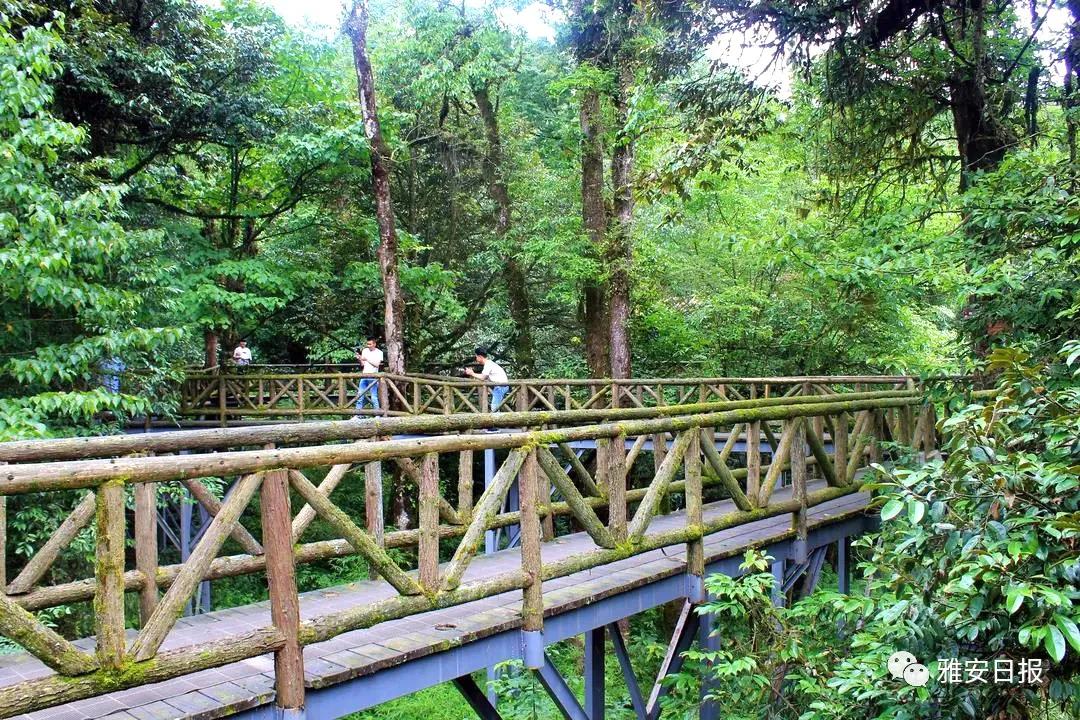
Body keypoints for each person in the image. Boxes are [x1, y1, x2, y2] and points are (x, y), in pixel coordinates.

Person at [465, 347, 510, 411]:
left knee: (494, 407)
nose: (476, 359)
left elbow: (483, 377)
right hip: (501, 386)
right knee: (496, 407)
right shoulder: (489, 363)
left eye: (476, 357)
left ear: (480, 356)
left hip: (501, 386)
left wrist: (472, 373)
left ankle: (497, 420)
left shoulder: (488, 364)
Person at [355, 336, 383, 414]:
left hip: (373, 376)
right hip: (364, 375)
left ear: (374, 344)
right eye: (367, 344)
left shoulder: (379, 352)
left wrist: (367, 359)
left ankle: (377, 414)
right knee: (360, 395)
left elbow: (377, 364)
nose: (368, 346)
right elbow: (363, 364)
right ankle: (358, 414)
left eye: (370, 344)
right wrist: (360, 358)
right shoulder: (365, 350)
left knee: (373, 396)